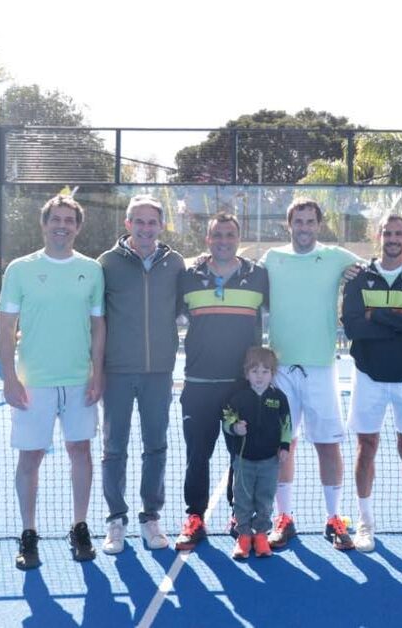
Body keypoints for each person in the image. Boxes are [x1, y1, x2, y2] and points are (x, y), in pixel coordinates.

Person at [0, 195, 105, 569]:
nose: (62, 225)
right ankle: (29, 533)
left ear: (78, 227)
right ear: (43, 224)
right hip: (34, 384)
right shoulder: (20, 269)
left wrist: (98, 373)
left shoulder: (91, 270)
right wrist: (9, 378)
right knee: (31, 458)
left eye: (69, 220)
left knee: (81, 452)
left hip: (79, 381)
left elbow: (98, 325)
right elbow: (6, 327)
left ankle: (79, 526)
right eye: (55, 219)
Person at [259, 198, 361, 550]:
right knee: (282, 446)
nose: (304, 227)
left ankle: (334, 518)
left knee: (328, 446)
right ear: (289, 225)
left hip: (321, 367)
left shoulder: (337, 257)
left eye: (310, 221)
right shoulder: (271, 259)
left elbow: (380, 269)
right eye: (298, 222)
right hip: (281, 369)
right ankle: (283, 519)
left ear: (319, 225)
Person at [342, 214, 402, 553]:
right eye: (387, 233)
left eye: (399, 233)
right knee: (365, 447)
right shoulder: (358, 278)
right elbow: (353, 327)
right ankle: (365, 524)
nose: (393, 239)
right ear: (377, 235)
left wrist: (377, 316)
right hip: (368, 377)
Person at [174, 212, 269, 550]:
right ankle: (195, 516)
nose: (224, 241)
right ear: (208, 240)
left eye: (230, 235)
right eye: (218, 235)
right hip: (198, 384)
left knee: (239, 455)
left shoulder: (259, 276)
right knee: (197, 454)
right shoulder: (187, 275)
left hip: (240, 387)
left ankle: (238, 515)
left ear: (238, 239)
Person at [99, 194, 185, 554]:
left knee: (156, 446)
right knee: (113, 448)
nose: (146, 228)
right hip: (116, 372)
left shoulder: (176, 263)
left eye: (152, 222)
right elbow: (97, 319)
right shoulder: (106, 264)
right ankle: (115, 520)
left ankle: (150, 517)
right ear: (128, 224)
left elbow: (184, 308)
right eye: (139, 221)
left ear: (160, 225)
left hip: (159, 372)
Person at [223, 346, 291, 560]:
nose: (259, 376)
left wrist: (285, 446)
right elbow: (226, 421)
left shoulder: (279, 398)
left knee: (265, 500)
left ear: (273, 373)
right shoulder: (238, 398)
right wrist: (235, 427)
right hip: (243, 461)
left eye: (265, 371)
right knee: (242, 499)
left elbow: (286, 425)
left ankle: (261, 535)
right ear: (246, 373)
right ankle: (243, 536)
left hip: (269, 462)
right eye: (255, 371)